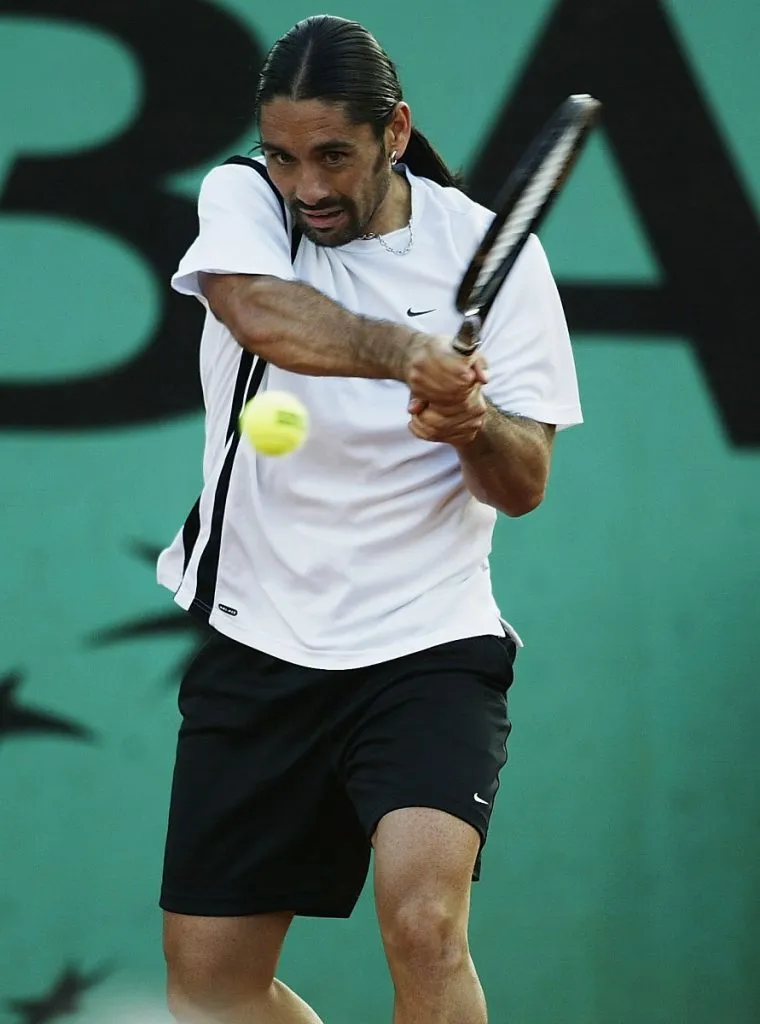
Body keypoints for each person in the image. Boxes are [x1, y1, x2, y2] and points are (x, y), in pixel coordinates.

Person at [156, 13, 582, 1024]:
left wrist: (472, 422)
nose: (305, 184)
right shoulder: (242, 200)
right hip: (255, 639)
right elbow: (257, 309)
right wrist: (404, 356)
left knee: (425, 924)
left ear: (394, 130)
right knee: (212, 991)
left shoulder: (494, 255)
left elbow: (522, 483)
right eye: (284, 152)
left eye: (333, 155)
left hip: (427, 644)